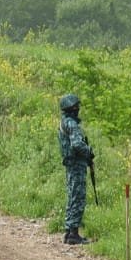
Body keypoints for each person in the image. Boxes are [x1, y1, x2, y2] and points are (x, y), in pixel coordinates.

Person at [57, 93, 93, 245]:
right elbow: (77, 144)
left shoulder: (65, 122)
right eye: (75, 106)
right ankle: (73, 234)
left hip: (71, 164)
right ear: (71, 108)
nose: (78, 109)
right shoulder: (71, 123)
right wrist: (89, 152)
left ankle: (69, 231)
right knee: (78, 197)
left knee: (72, 196)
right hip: (76, 165)